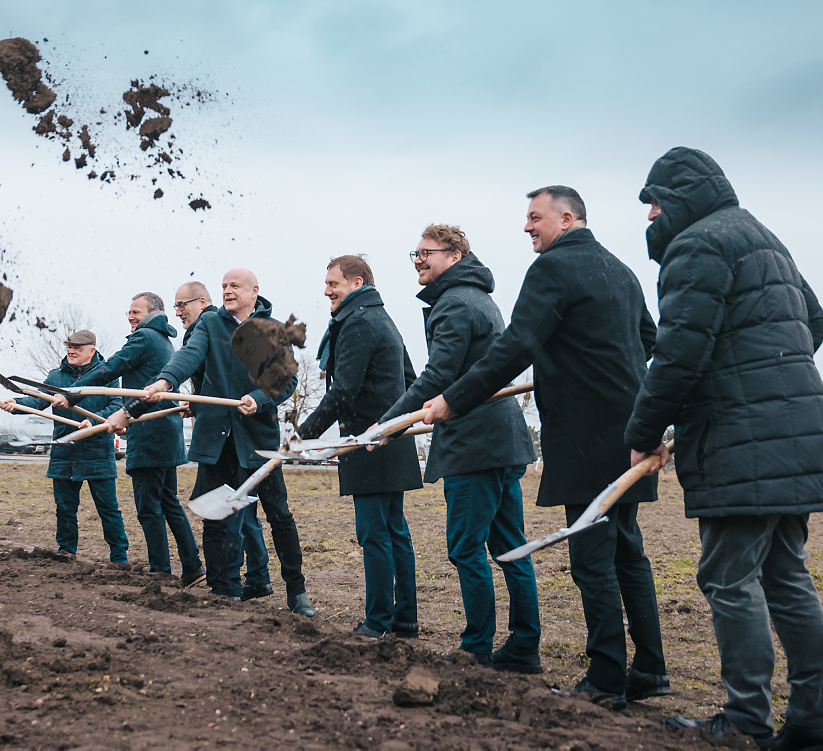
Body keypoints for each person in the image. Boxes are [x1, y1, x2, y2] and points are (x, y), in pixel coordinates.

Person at [625, 147, 823, 750]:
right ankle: (816, 722)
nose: (649, 218)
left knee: (727, 577)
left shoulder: (697, 246)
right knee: (785, 577)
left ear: (680, 201)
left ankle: (747, 718)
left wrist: (643, 432)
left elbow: (677, 356)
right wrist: (767, 372)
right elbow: (813, 322)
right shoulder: (761, 237)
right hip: (797, 428)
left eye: (654, 205)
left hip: (740, 438)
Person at [421, 187, 668, 709]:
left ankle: (605, 676)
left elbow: (516, 347)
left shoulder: (553, 269)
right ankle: (649, 667)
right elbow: (647, 340)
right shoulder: (620, 270)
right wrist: (593, 365)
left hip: (585, 436)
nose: (527, 227)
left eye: (535, 217)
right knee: (628, 552)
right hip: (628, 433)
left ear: (567, 217)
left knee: (592, 558)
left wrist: (453, 400)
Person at [379, 225, 539, 667]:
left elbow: (438, 376)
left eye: (425, 253)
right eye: (414, 253)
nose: (417, 260)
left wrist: (387, 424)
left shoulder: (453, 304)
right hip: (504, 441)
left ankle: (476, 649)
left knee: (466, 548)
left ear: (454, 255)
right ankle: (525, 645)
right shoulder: (479, 297)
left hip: (476, 444)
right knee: (511, 546)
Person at [142, 268, 313, 617]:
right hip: (217, 441)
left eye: (235, 286)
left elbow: (287, 381)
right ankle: (223, 594)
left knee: (279, 516)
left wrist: (258, 398)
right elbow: (189, 357)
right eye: (223, 286)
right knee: (215, 517)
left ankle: (297, 593)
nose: (227, 291)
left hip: (259, 440)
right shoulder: (209, 325)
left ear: (254, 291)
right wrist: (165, 381)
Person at [294, 255, 422, 638]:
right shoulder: (382, 319)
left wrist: (304, 434)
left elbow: (343, 392)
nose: (326, 290)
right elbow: (410, 379)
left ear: (358, 282)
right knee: (395, 531)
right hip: (389, 443)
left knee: (375, 534)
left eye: (333, 283)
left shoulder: (358, 323)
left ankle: (378, 621)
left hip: (369, 444)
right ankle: (405, 620)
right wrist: (396, 423)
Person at [50, 294, 206, 588]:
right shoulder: (162, 339)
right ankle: (192, 565)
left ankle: (161, 569)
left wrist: (73, 391)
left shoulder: (145, 337)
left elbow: (112, 367)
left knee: (149, 507)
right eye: (129, 312)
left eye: (136, 311)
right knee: (168, 501)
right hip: (164, 431)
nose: (131, 317)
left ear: (154, 312)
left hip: (150, 437)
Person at [173, 281, 274, 602]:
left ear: (202, 302)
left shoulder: (215, 327)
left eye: (182, 305)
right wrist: (197, 402)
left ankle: (234, 583)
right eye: (175, 307)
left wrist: (252, 399)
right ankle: (255, 577)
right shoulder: (205, 330)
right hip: (220, 429)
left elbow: (231, 384)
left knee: (233, 513)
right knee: (240, 513)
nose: (179, 313)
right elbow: (207, 382)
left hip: (235, 435)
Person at [0, 330, 129, 563]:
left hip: (97, 450)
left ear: (91, 350)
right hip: (65, 452)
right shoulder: (56, 377)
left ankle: (119, 557)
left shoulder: (107, 375)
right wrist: (16, 404)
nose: (71, 351)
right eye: (69, 346)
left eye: (77, 348)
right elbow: (38, 400)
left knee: (108, 509)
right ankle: (66, 552)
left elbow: (117, 405)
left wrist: (95, 419)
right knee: (65, 509)